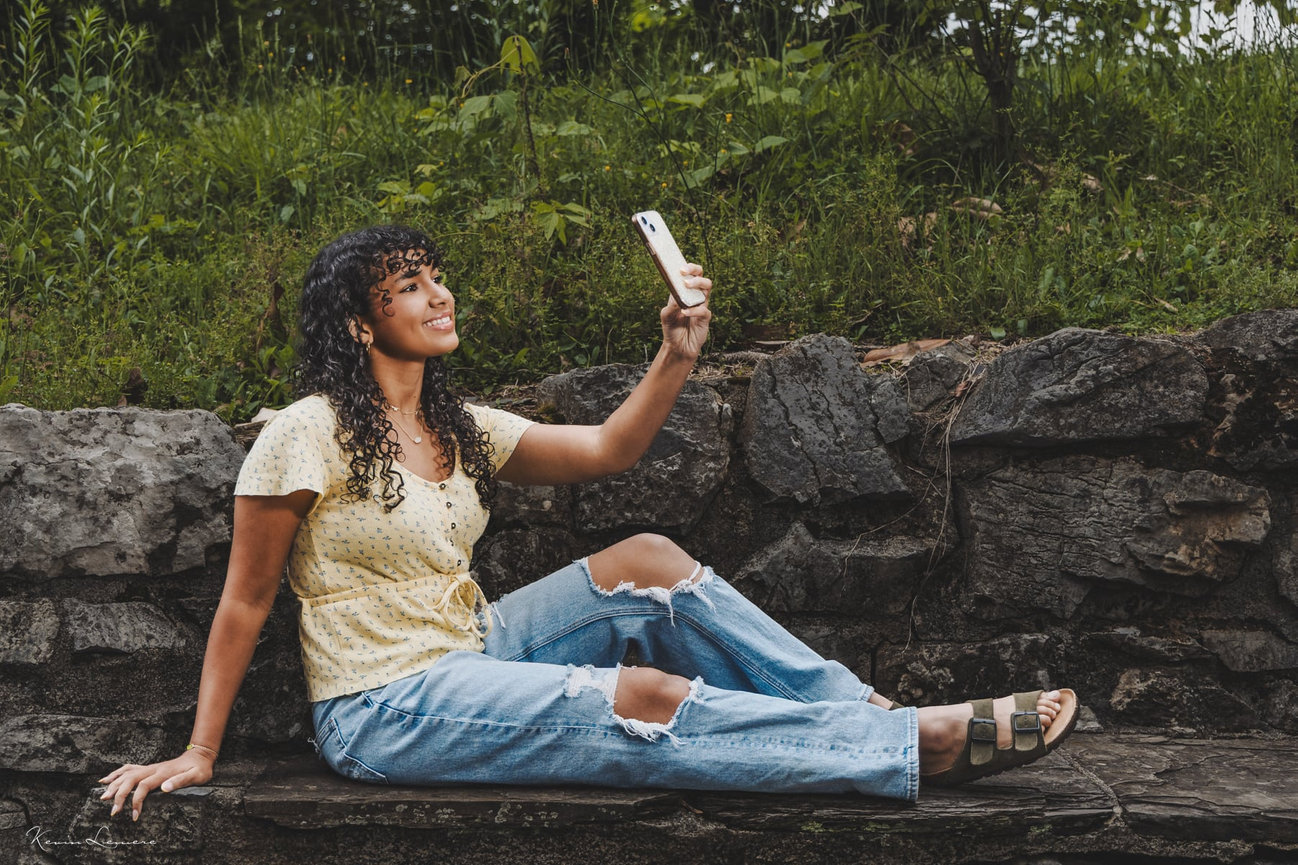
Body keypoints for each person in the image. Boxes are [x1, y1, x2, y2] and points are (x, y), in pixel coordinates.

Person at [98, 224, 1077, 820]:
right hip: (381, 708)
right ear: (360, 322)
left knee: (645, 560)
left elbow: (609, 448)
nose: (437, 293)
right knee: (640, 694)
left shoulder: (457, 424)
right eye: (407, 284)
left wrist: (678, 351)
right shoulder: (305, 435)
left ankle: (867, 717)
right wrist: (199, 754)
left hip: (471, 650)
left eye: (435, 276)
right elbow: (245, 602)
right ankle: (911, 750)